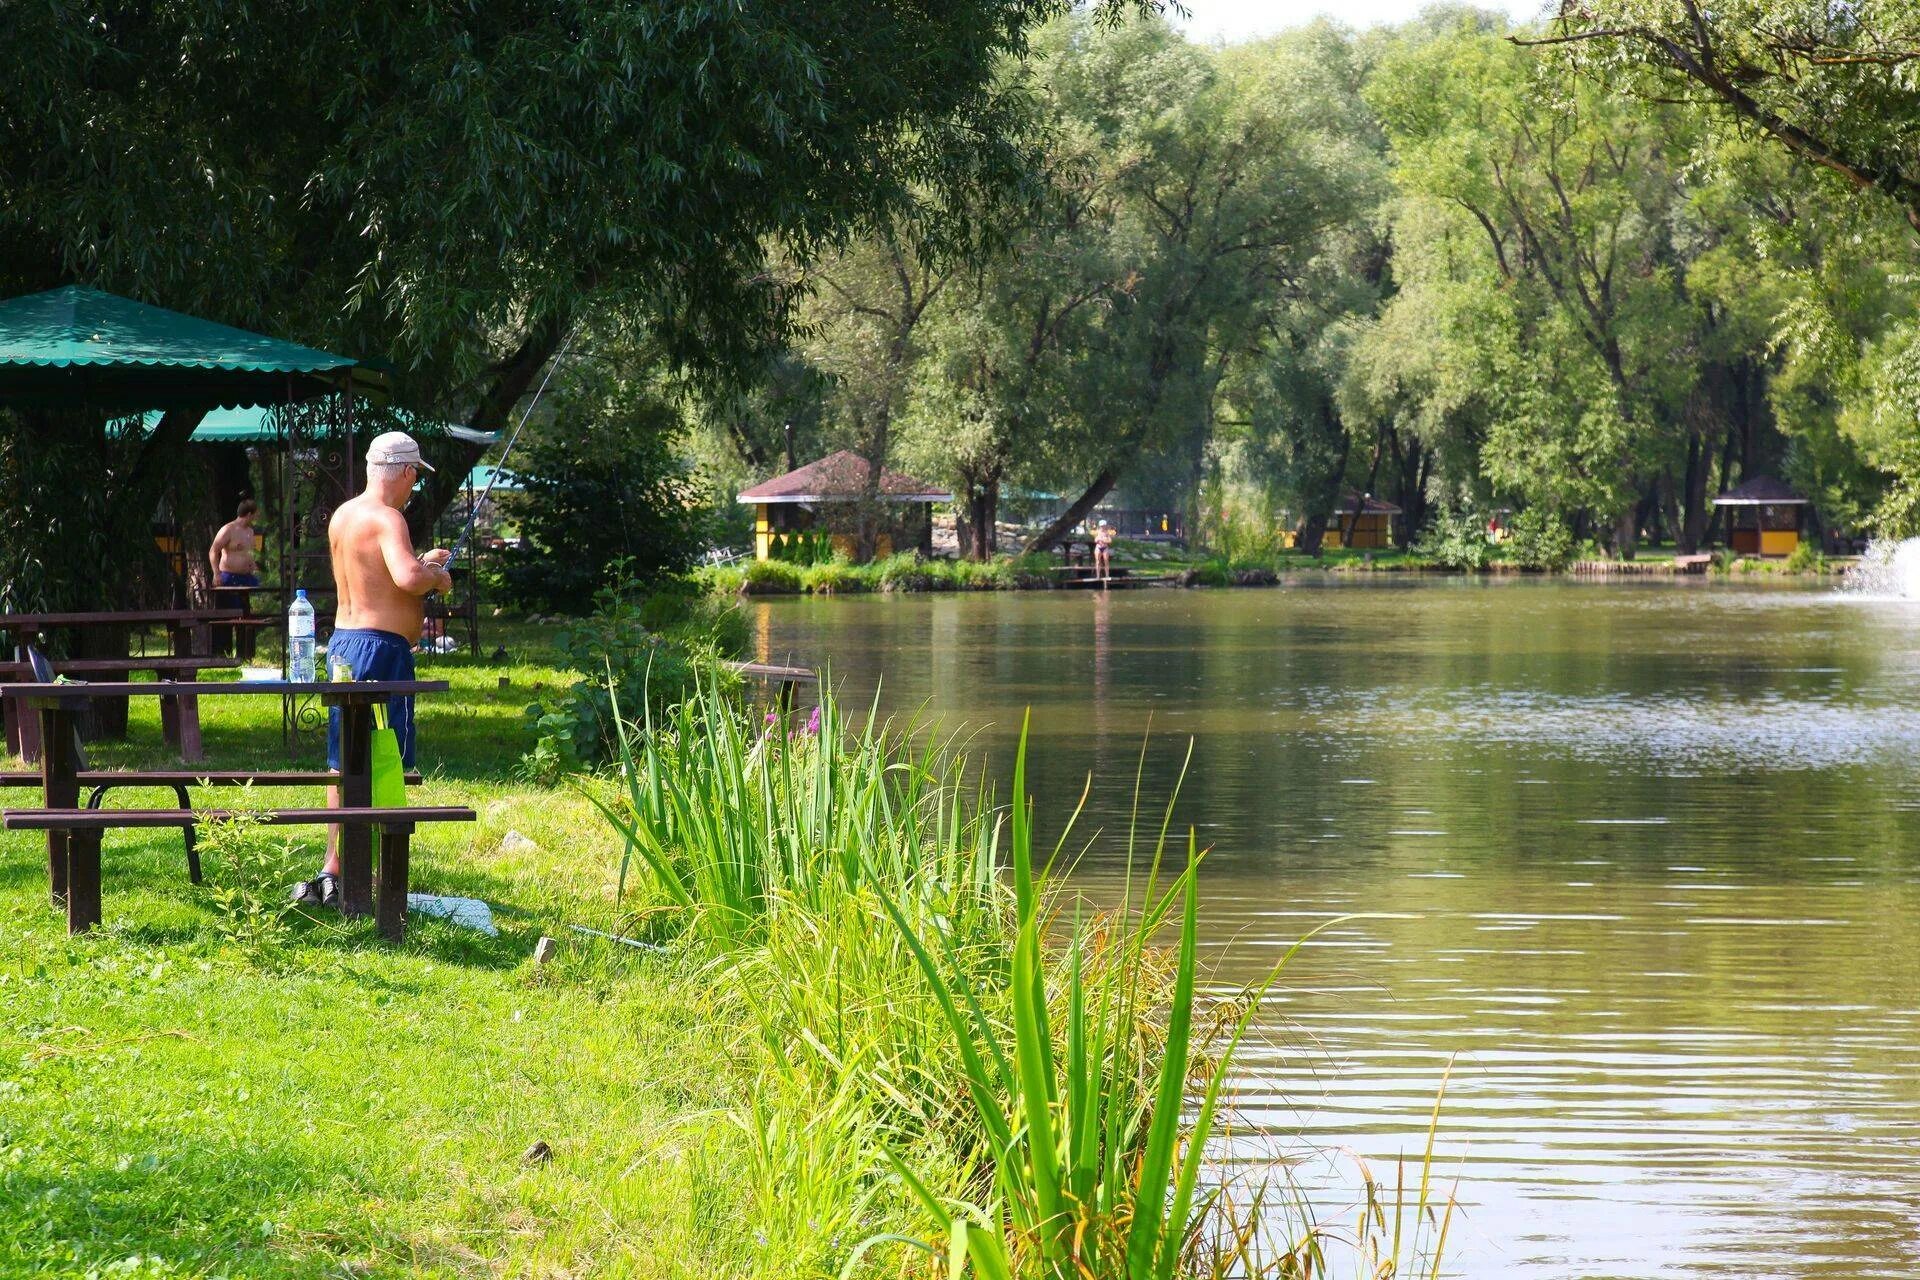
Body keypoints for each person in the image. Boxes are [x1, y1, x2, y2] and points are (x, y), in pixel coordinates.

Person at [291, 432, 452, 907]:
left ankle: (334, 867)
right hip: (382, 653)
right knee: (385, 759)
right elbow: (405, 579)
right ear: (404, 472)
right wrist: (436, 578)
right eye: (416, 477)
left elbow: (378, 577)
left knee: (342, 762)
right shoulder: (389, 518)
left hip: (344, 643)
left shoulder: (345, 514)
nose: (414, 487)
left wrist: (422, 564)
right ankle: (383, 875)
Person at [209, 498, 261, 587]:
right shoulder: (228, 529)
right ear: (249, 515)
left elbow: (249, 553)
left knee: (265, 588)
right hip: (230, 577)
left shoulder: (250, 531)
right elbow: (213, 551)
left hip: (247, 577)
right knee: (233, 600)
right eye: (255, 515)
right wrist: (216, 574)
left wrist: (254, 567)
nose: (256, 518)